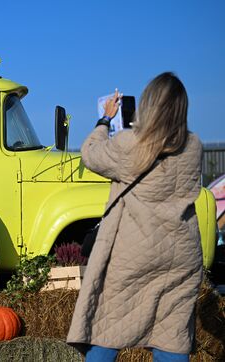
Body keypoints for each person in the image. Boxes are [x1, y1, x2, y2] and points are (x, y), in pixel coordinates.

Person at [67, 72, 203, 362]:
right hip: (182, 256)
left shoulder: (130, 143)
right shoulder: (194, 147)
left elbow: (90, 155)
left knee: (107, 330)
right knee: (172, 337)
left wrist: (105, 120)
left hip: (134, 255)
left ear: (148, 104)